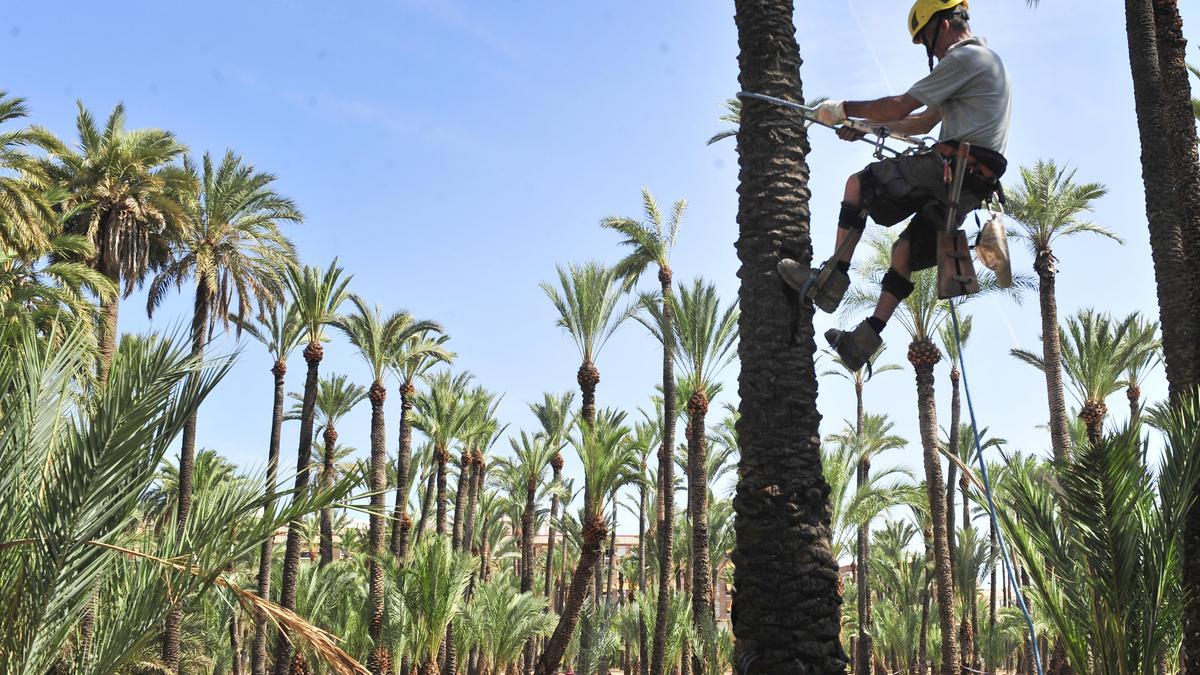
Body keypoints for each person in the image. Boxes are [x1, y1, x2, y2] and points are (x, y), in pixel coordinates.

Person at [777, 0, 1011, 370]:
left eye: (925, 39)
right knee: (903, 252)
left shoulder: (965, 59)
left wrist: (844, 109)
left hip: (950, 167)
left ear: (944, 23)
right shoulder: (984, 64)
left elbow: (900, 106)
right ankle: (862, 342)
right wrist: (867, 128)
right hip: (970, 186)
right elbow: (920, 123)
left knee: (859, 185)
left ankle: (829, 282)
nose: (928, 49)